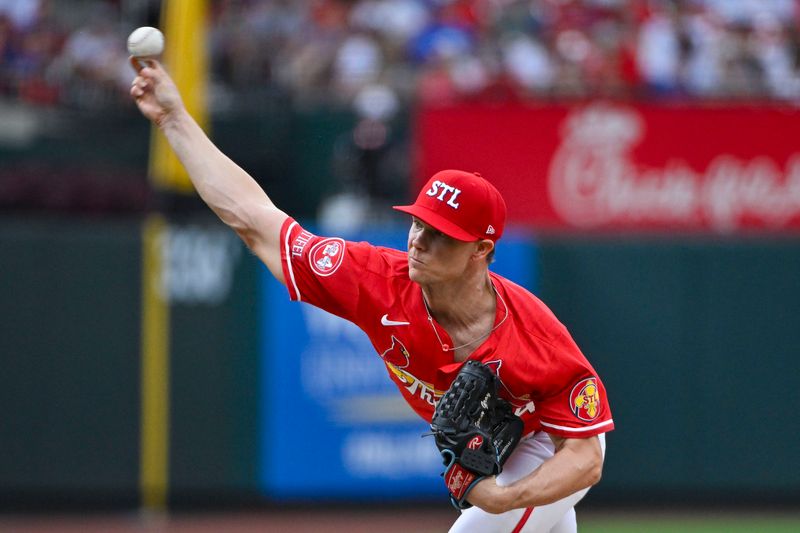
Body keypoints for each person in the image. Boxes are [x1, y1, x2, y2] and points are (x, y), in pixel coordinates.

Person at [129, 57, 614, 533]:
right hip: (512, 455)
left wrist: (504, 496)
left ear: (481, 250)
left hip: (553, 444)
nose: (418, 240)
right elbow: (253, 219)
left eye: (440, 233)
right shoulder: (377, 279)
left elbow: (587, 457)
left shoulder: (534, 334)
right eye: (418, 223)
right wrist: (174, 119)